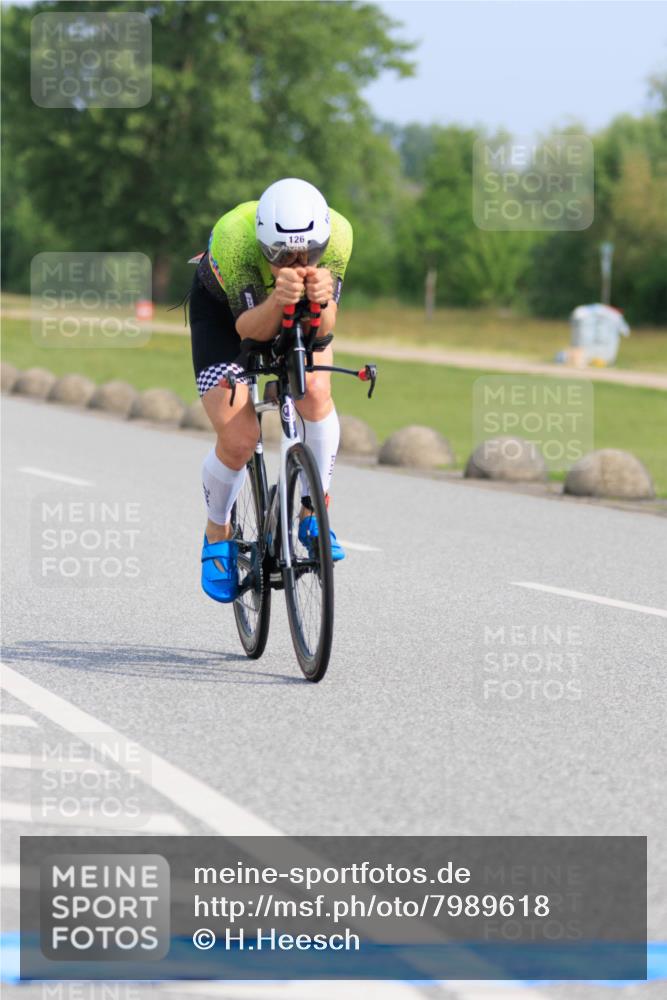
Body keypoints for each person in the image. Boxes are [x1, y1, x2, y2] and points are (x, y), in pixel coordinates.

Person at [189, 178, 353, 603]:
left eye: (308, 254)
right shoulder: (236, 238)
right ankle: (216, 532)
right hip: (226, 318)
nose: (297, 262)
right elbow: (247, 329)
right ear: (264, 244)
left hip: (295, 309)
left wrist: (322, 302)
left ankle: (313, 513)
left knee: (315, 393)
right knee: (240, 437)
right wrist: (279, 299)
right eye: (281, 255)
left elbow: (327, 326)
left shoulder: (338, 234)